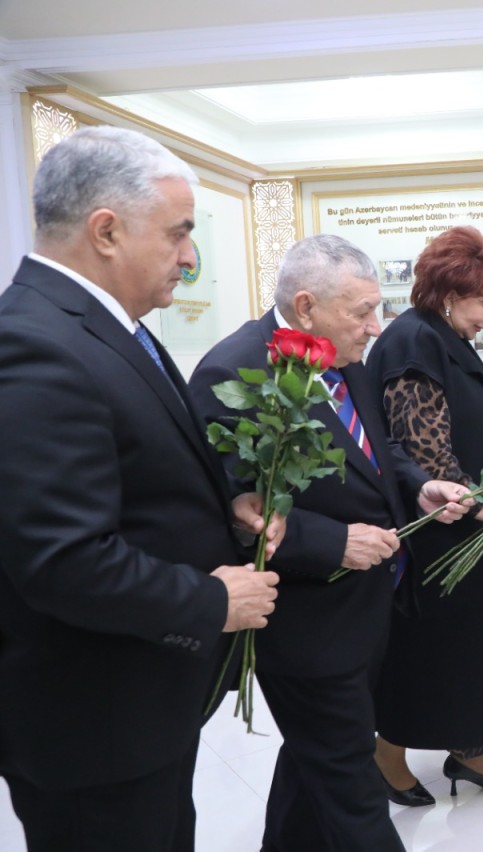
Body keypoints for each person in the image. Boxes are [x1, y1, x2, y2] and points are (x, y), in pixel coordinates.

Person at [0, 126, 282, 852]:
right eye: (179, 232)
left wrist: (227, 508)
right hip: (92, 724)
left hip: (139, 706)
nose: (189, 257)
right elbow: (62, 558)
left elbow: (128, 477)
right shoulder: (35, 343)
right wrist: (212, 601)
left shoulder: (107, 328)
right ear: (106, 231)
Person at [189, 234, 471, 851]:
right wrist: (333, 540)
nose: (376, 327)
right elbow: (231, 508)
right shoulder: (232, 371)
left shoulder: (345, 356)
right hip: (307, 619)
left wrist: (419, 486)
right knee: (350, 782)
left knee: (316, 755)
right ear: (307, 306)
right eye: (362, 312)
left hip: (368, 604)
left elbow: (376, 449)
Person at [367, 226, 483, 799]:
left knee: (479, 646)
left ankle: (468, 748)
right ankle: (388, 753)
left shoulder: (442, 335)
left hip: (476, 522)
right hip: (445, 529)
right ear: (449, 294)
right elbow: (423, 450)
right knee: (433, 652)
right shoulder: (414, 340)